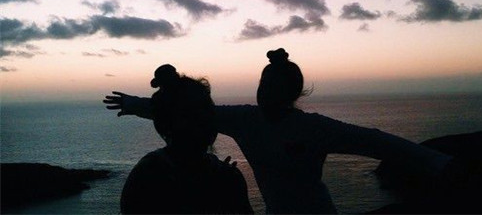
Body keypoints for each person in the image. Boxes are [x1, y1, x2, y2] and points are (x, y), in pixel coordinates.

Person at [105, 48, 454, 214]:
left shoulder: (313, 128)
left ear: (293, 92)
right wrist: (137, 104)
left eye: (274, 85)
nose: (266, 91)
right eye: (263, 83)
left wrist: (438, 162)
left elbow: (375, 141)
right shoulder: (245, 119)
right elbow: (191, 113)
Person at [119, 65, 253, 214]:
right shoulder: (227, 177)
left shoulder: (147, 173)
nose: (205, 121)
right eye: (193, 116)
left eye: (206, 113)